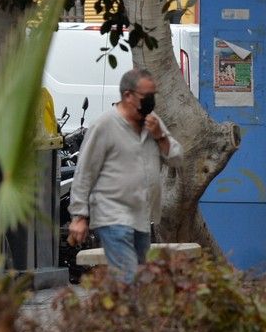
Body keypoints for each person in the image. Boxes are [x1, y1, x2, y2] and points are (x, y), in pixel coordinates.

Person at [68, 69, 183, 282]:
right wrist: (79, 216)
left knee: (140, 278)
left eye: (153, 95)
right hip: (113, 215)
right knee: (129, 276)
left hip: (142, 216)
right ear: (128, 96)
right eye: (145, 96)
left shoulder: (152, 122)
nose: (151, 101)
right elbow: (84, 172)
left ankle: (118, 312)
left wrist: (160, 136)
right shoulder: (104, 126)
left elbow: (176, 158)